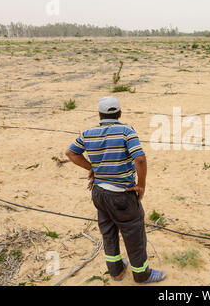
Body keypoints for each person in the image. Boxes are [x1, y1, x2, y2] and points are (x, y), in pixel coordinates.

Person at [65, 96, 166, 284]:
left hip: (99, 193)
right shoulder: (127, 131)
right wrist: (141, 185)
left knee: (108, 231)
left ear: (99, 114)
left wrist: (92, 168)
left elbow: (71, 153)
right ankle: (142, 275)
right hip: (121, 195)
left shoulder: (88, 133)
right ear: (119, 113)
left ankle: (116, 271)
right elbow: (140, 159)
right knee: (134, 234)